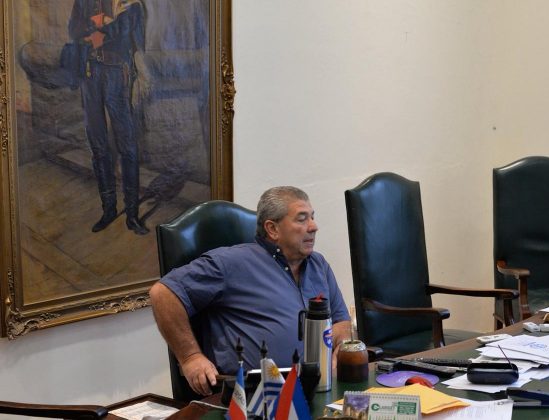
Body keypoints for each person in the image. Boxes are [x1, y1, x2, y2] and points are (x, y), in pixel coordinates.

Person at [149, 187, 352, 396]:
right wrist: (190, 357)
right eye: (302, 219)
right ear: (272, 229)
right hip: (255, 397)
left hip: (319, 390)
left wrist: (341, 344)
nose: (313, 227)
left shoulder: (318, 265)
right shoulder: (230, 264)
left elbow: (341, 321)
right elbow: (163, 293)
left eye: (312, 217)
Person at [68, 0, 149, 234]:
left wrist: (92, 35)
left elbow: (122, 30)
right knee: (98, 144)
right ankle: (109, 209)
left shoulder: (130, 3)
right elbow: (73, 30)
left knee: (128, 146)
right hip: (89, 74)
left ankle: (132, 215)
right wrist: (100, 21)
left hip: (117, 73)